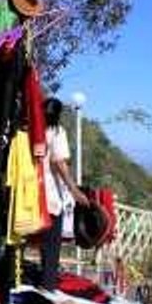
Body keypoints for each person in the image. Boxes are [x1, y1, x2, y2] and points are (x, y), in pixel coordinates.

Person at [40, 98, 90, 291]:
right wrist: (74, 190)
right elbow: (59, 163)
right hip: (51, 193)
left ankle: (15, 276)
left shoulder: (32, 132)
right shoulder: (57, 132)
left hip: (31, 191)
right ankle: (48, 283)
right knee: (52, 241)